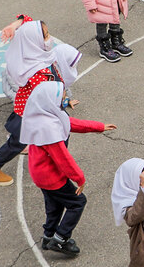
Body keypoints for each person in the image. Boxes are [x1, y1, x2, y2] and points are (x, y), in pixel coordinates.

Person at [20, 82, 114, 257]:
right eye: (62, 96)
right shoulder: (49, 130)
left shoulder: (43, 116)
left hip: (40, 174)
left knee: (54, 205)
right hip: (51, 177)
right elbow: (63, 159)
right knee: (78, 202)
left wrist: (98, 126)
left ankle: (48, 236)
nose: (65, 99)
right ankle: (61, 239)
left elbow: (70, 123)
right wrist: (80, 178)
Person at [0, 16, 73, 187]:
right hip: (31, 113)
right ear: (34, 42)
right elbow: (48, 96)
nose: (49, 38)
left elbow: (28, 22)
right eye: (45, 36)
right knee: (19, 142)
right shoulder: (36, 71)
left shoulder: (36, 56)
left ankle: (55, 163)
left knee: (50, 136)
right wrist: (63, 102)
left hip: (33, 110)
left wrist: (14, 25)